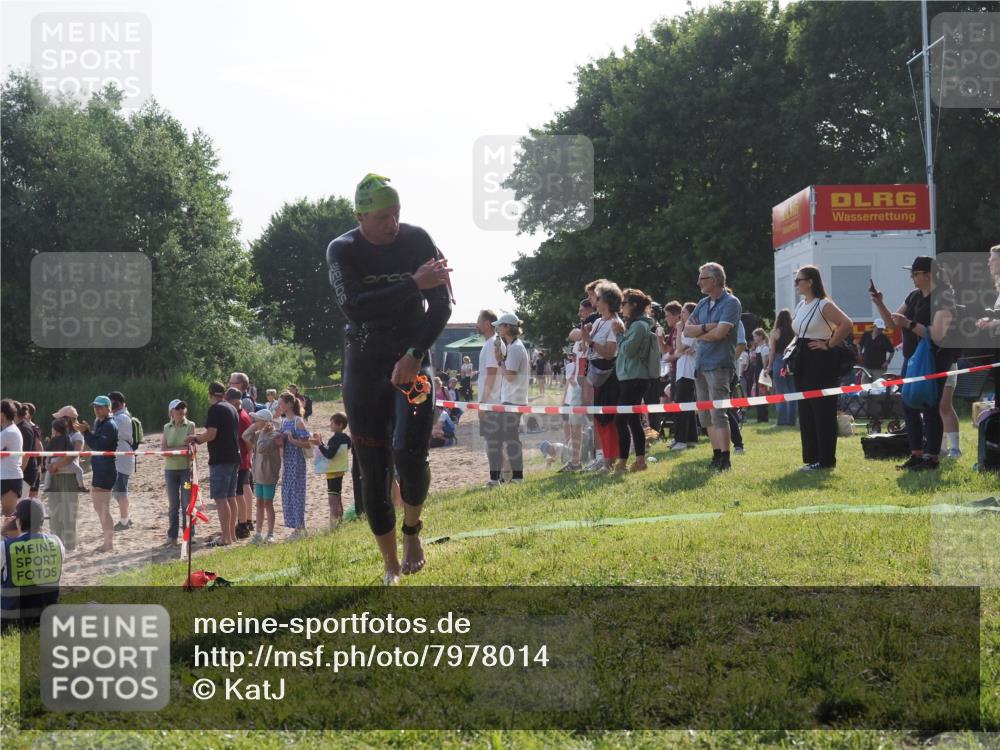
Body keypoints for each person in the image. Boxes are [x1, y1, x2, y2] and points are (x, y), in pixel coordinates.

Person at [326, 174, 453, 585]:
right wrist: (411, 283)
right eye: (382, 217)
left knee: (410, 452)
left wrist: (416, 354)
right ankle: (390, 564)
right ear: (361, 215)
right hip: (364, 363)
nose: (392, 224)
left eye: (396, 213)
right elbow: (354, 307)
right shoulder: (343, 249)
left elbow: (441, 308)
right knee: (373, 467)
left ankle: (412, 530)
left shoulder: (417, 240)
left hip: (413, 356)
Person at [871, 256, 956, 471]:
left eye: (915, 273)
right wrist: (880, 302)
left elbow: (936, 334)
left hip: (934, 361)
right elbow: (892, 323)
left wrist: (909, 323)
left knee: (930, 407)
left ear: (928, 275)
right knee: (908, 406)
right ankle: (916, 454)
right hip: (912, 359)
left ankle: (932, 457)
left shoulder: (944, 299)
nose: (912, 277)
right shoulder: (914, 296)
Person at [791, 265, 854, 471]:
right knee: (806, 410)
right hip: (803, 359)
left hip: (820, 361)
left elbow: (846, 323)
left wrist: (828, 344)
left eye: (798, 280)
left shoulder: (822, 304)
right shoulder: (802, 305)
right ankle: (812, 458)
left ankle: (826, 460)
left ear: (810, 282)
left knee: (822, 410)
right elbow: (799, 332)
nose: (795, 284)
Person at [684, 262, 742, 471]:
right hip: (701, 364)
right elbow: (687, 331)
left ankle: (726, 458)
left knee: (719, 413)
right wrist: (709, 327)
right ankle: (716, 455)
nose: (698, 281)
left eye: (702, 278)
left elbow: (721, 334)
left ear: (715, 280)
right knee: (705, 415)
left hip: (719, 365)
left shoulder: (731, 303)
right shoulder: (702, 303)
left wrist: (701, 334)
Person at [185, 382, 240, 546]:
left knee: (221, 499)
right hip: (233, 457)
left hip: (221, 459)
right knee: (230, 497)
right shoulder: (231, 408)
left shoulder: (215, 409)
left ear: (210, 394)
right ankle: (231, 535)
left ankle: (226, 537)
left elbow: (211, 434)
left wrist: (195, 439)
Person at [1, 498, 64, 629]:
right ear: (42, 521)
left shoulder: (5, 547)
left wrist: (2, 531)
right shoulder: (57, 542)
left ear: (18, 521)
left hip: (12, 620)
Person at [581, 282, 624, 472]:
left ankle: (610, 461)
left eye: (597, 298)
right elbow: (588, 348)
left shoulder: (616, 323)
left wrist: (590, 341)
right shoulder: (598, 322)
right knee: (599, 419)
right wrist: (586, 337)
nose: (594, 302)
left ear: (606, 301)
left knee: (609, 419)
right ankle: (605, 458)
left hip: (610, 376)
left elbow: (609, 353)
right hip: (597, 375)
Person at [613, 288, 654, 473]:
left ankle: (622, 462)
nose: (621, 307)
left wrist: (619, 334)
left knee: (621, 421)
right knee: (632, 421)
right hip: (630, 377)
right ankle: (639, 460)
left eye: (624, 303)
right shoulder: (636, 325)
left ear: (634, 305)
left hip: (634, 378)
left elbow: (628, 350)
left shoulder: (639, 326)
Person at [489, 313, 530, 484]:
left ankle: (516, 477)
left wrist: (500, 362)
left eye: (500, 325)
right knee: (508, 438)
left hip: (513, 400)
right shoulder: (515, 346)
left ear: (507, 327)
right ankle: (509, 476)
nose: (498, 328)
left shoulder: (515, 348)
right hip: (512, 399)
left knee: (509, 439)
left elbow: (510, 376)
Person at [78, 395, 118, 553]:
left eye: (100, 406)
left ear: (108, 408)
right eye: (95, 406)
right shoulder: (99, 422)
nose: (97, 409)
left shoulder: (110, 424)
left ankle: (109, 543)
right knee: (98, 507)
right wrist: (87, 431)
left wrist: (86, 432)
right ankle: (107, 541)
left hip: (106, 470)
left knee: (103, 508)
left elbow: (99, 445)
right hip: (99, 469)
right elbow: (95, 443)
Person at [275, 392, 311, 539]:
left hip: (297, 463)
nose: (279, 406)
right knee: (287, 494)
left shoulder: (298, 421)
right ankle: (296, 527)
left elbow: (307, 443)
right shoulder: (283, 422)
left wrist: (292, 440)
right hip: (287, 462)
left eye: (281, 403)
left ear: (290, 404)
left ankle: (300, 528)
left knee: (297, 494)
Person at [243, 410, 283, 543]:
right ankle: (258, 533)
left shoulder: (274, 434)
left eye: (258, 420)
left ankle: (270, 533)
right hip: (258, 474)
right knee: (259, 503)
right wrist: (256, 426)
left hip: (269, 474)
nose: (255, 422)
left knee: (268, 503)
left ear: (265, 421)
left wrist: (264, 429)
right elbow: (245, 435)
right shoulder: (259, 433)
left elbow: (261, 448)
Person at [161, 399, 195, 546]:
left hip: (186, 471)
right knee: (173, 505)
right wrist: (178, 449)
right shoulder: (166, 427)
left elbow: (190, 449)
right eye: (177, 408)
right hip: (170, 471)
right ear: (171, 412)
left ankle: (189, 534)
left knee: (187, 503)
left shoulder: (190, 425)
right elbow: (163, 451)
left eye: (183, 407)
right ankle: (172, 536)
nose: (181, 410)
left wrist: (173, 450)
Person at [44, 418, 81, 552]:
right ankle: (56, 543)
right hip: (55, 477)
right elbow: (47, 454)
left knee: (68, 512)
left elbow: (72, 456)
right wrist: (48, 465)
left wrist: (55, 466)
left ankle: (70, 546)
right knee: (54, 511)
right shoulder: (55, 439)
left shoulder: (75, 436)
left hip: (68, 476)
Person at [226, 388, 255, 539]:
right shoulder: (241, 414)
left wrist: (247, 454)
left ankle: (243, 524)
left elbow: (247, 440)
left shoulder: (241, 417)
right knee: (242, 489)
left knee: (239, 492)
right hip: (243, 459)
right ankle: (245, 522)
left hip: (241, 460)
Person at [314, 413, 352, 527]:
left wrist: (320, 445)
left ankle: (334, 525)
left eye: (332, 423)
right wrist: (322, 443)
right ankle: (340, 522)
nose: (330, 425)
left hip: (333, 472)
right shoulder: (346, 438)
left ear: (340, 425)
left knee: (333, 500)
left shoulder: (335, 438)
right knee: (338, 497)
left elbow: (330, 454)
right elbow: (335, 451)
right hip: (339, 471)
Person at [671, 302, 700, 450]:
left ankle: (681, 440)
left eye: (683, 312)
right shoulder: (685, 331)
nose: (680, 315)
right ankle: (690, 439)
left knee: (682, 405)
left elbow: (680, 348)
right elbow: (678, 352)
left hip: (688, 372)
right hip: (682, 371)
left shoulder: (689, 329)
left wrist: (680, 330)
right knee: (686, 405)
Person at [107, 392, 135, 532]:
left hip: (122, 460)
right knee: (119, 491)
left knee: (121, 491)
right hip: (120, 459)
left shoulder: (121, 418)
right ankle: (126, 517)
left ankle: (124, 521)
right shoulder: (121, 416)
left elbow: (108, 430)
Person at [42, 406, 86, 493]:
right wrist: (48, 465)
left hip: (68, 478)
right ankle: (81, 486)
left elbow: (72, 455)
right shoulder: (59, 436)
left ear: (68, 419)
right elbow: (50, 452)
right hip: (55, 474)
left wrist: (53, 466)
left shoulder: (77, 436)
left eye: (60, 418)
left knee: (69, 505)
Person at [766, 309, 798, 427]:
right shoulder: (794, 331)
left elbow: (772, 351)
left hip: (779, 361)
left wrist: (769, 367)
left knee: (781, 391)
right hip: (791, 362)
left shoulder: (775, 332)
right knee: (792, 390)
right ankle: (792, 420)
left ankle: (782, 421)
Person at [0, 400, 23, 517]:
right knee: (8, 515)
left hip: (9, 477)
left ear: (3, 414)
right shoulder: (8, 431)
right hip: (8, 476)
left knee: (9, 516)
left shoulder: (7, 432)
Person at [13, 404, 38, 503]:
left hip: (25, 474)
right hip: (20, 473)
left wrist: (18, 474)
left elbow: (26, 455)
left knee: (18, 507)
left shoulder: (24, 428)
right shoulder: (18, 427)